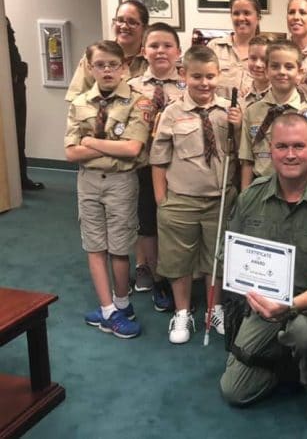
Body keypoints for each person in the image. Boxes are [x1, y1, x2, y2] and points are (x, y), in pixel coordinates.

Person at [219, 113, 307, 425]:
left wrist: (291, 305)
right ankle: (292, 365)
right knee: (235, 392)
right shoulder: (251, 197)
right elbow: (230, 258)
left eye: (299, 146)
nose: (291, 154)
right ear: (270, 149)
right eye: (282, 146)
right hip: (265, 304)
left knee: (303, 333)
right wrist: (251, 298)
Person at [149, 45, 241, 344]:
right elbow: (159, 160)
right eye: (197, 76)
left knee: (217, 258)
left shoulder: (231, 111)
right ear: (183, 75)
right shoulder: (172, 114)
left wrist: (238, 128)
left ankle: (214, 308)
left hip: (220, 199)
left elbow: (242, 155)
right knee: (179, 260)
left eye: (210, 77)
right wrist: (162, 202)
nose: (204, 83)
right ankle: (183, 312)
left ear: (219, 76)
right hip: (181, 200)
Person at [64, 40, 152, 339]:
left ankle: (122, 303)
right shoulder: (80, 103)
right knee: (94, 245)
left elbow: (132, 148)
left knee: (119, 247)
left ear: (124, 67)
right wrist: (105, 149)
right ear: (90, 68)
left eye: (113, 64)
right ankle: (107, 310)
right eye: (100, 64)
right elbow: (70, 153)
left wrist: (90, 142)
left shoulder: (138, 102)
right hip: (88, 183)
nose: (107, 70)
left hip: (121, 183)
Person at [127, 22, 183, 309]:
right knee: (147, 223)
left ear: (179, 51)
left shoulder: (189, 85)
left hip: (179, 167)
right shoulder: (131, 87)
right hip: (144, 166)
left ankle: (176, 275)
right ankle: (156, 275)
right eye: (154, 45)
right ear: (143, 51)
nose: (161, 51)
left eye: (167, 45)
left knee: (173, 223)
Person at [238, 39, 307, 190]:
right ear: (266, 70)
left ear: (300, 73)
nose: (281, 72)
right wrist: (244, 198)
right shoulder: (252, 112)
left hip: (302, 190)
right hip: (262, 190)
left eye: (289, 67)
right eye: (275, 66)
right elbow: (247, 160)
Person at [65, 0, 149, 102]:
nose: (124, 26)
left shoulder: (151, 58)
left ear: (144, 28)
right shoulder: (95, 55)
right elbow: (75, 97)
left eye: (131, 22)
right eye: (120, 20)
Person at [6, 17, 43, 190]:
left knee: (18, 135)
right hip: (8, 85)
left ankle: (20, 178)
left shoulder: (4, 19)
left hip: (15, 85)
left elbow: (11, 50)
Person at [207, 0, 262, 98]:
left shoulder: (267, 52)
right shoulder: (214, 47)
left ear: (258, 17)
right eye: (236, 13)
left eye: (247, 13)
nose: (241, 18)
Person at [240, 35, 271, 108]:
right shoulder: (242, 96)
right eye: (253, 58)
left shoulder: (280, 96)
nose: (258, 64)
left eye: (264, 59)